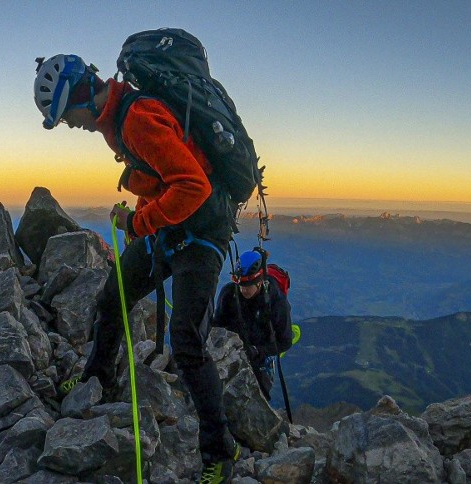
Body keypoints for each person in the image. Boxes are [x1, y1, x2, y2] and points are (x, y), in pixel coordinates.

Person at [34, 54, 239, 483]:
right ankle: (98, 377)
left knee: (186, 341)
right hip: (170, 228)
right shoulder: (120, 119)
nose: (72, 125)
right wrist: (142, 218)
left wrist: (138, 222)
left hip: (201, 234)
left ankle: (220, 452)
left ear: (83, 94)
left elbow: (193, 185)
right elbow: (161, 174)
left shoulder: (136, 118)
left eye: (69, 116)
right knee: (113, 297)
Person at [213, 249, 293, 401]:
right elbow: (217, 325)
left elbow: (285, 341)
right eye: (241, 284)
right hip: (230, 354)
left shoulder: (276, 301)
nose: (244, 289)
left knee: (256, 400)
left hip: (261, 361)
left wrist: (258, 351)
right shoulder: (229, 294)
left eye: (248, 285)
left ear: (261, 281)